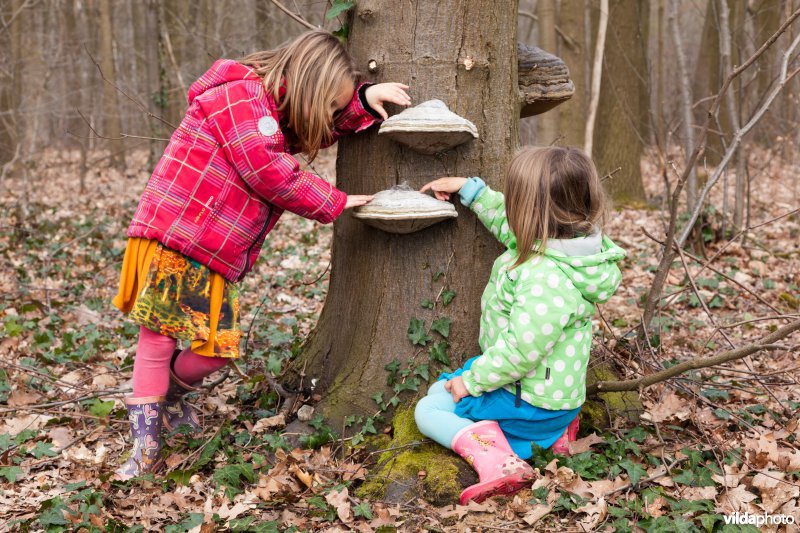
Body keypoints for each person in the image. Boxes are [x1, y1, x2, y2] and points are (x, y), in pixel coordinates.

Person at [111, 29, 411, 480]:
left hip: (211, 247)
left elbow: (314, 126)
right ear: (309, 85)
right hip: (178, 233)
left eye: (335, 109)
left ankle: (163, 400)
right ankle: (145, 448)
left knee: (216, 351)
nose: (330, 116)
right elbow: (265, 167)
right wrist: (333, 199)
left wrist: (362, 102)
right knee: (158, 337)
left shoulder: (273, 112)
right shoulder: (240, 95)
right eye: (331, 104)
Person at [414, 146, 626, 504]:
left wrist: (473, 381)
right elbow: (506, 222)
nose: (509, 211)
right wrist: (472, 190)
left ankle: (502, 462)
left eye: (515, 202)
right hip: (552, 396)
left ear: (531, 213)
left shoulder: (544, 276)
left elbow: (519, 352)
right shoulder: (567, 249)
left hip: (532, 402)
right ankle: (551, 438)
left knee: (429, 409)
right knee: (442, 389)